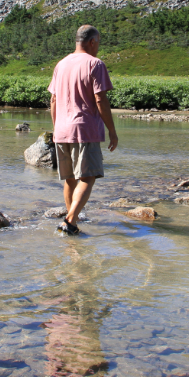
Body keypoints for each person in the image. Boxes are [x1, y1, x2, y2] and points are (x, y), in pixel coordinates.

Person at [48, 24, 118, 235]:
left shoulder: (61, 64)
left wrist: (56, 127)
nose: (98, 47)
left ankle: (72, 220)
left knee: (70, 179)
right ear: (92, 42)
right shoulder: (95, 64)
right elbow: (100, 99)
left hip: (61, 129)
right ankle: (69, 221)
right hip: (84, 129)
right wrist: (112, 131)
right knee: (88, 177)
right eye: (98, 43)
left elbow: (53, 99)